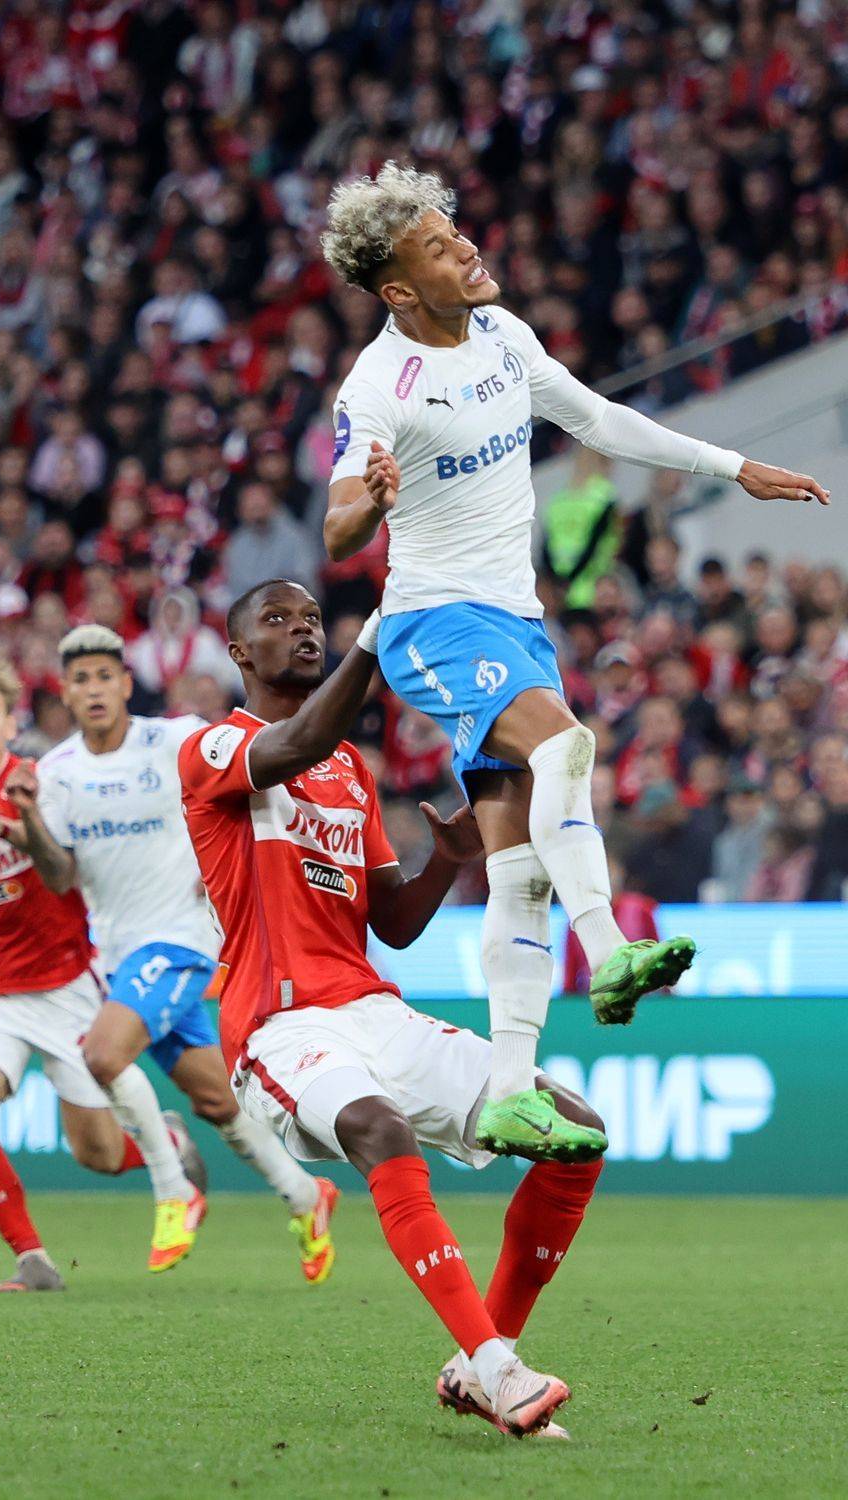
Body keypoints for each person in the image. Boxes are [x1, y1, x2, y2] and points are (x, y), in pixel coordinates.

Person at [319, 162, 829, 1159]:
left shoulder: (503, 336)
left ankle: (510, 1092)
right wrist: (369, 500)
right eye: (439, 247)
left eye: (456, 231)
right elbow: (339, 523)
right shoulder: (379, 385)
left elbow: (597, 419)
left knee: (517, 870)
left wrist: (734, 466)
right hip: (435, 622)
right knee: (567, 746)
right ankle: (610, 950)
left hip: (515, 621)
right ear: (399, 289)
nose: (467, 248)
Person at [178, 579, 606, 1438]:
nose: (303, 630)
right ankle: (500, 1372)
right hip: (278, 1024)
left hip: (374, 1011)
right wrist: (377, 637)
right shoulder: (214, 747)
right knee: (381, 1128)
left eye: (311, 619)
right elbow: (301, 737)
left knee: (577, 1135)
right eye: (277, 620)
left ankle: (481, 1360)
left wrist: (446, 861)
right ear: (238, 653)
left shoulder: (349, 770)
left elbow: (394, 924)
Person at [0, 623, 337, 1283]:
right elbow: (59, 876)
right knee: (217, 1100)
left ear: (124, 684)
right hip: (119, 957)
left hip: (182, 939)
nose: (92, 690)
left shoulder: (175, 740)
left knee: (102, 1055)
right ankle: (306, 1195)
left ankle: (175, 1191)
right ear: (65, 692)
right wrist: (26, 818)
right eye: (79, 680)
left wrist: (233, 857)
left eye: (103, 677)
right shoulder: (56, 773)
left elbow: (252, 773)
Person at [0, 653, 206, 1291]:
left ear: (9, 724)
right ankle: (32, 1259)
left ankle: (165, 1144)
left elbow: (80, 862)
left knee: (97, 1154)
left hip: (69, 987)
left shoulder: (45, 785)